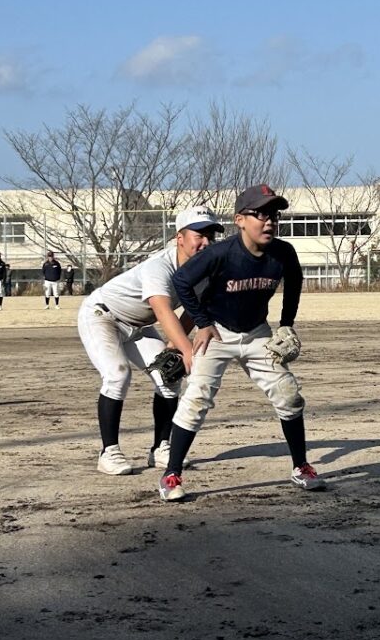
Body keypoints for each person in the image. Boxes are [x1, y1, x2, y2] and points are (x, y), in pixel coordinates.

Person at [159, 184, 324, 502]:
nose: (269, 221)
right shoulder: (221, 253)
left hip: (257, 333)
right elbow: (181, 281)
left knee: (288, 394)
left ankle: (301, 467)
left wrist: (286, 324)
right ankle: (171, 474)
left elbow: (295, 283)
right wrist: (203, 322)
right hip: (217, 333)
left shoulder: (283, 253)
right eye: (260, 214)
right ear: (239, 220)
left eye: (273, 214)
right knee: (196, 398)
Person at [77, 206, 223, 476]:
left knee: (169, 377)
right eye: (199, 235)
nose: (206, 242)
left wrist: (174, 347)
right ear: (180, 238)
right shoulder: (160, 267)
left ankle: (160, 448)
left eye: (210, 236)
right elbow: (162, 310)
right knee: (117, 375)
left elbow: (194, 311)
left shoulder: (204, 271)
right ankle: (108, 452)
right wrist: (187, 350)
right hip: (102, 316)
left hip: (139, 326)